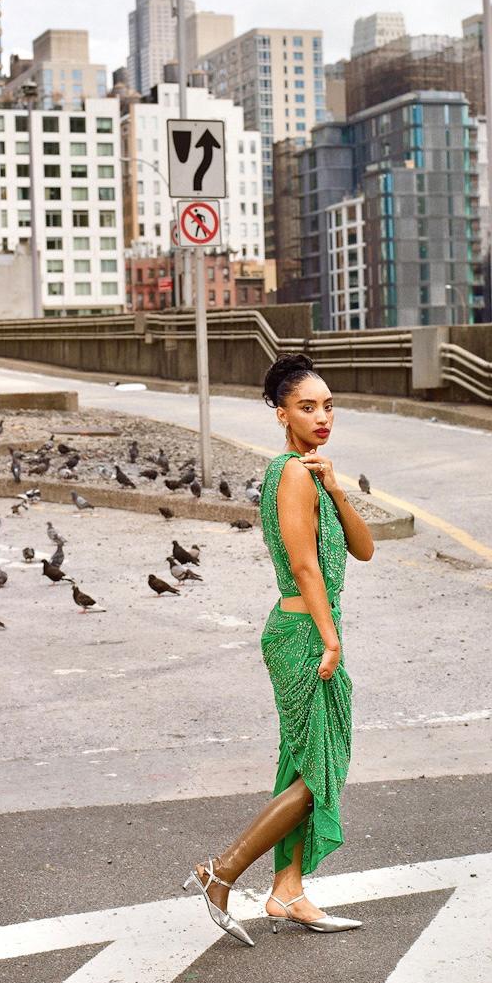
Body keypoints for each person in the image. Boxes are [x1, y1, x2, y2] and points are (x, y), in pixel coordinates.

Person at [183, 353, 375, 944]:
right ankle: (220, 872)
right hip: (302, 634)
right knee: (320, 771)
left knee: (303, 763)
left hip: (311, 629)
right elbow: (303, 566)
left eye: (328, 406)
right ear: (281, 414)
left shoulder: (314, 475)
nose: (322, 417)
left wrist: (337, 489)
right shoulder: (290, 473)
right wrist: (331, 638)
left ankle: (287, 891)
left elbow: (365, 549)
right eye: (307, 407)